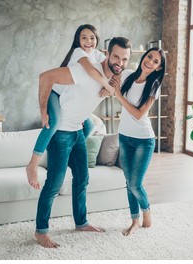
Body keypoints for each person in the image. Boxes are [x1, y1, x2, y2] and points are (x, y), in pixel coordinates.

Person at [34, 37, 132, 248]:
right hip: (60, 133)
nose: (120, 63)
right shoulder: (84, 71)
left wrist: (112, 89)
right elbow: (45, 77)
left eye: (125, 59)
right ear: (107, 54)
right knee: (54, 184)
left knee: (82, 179)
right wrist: (44, 111)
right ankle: (41, 231)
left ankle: (81, 222)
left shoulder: (114, 79)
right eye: (116, 56)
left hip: (77, 131)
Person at [26, 24, 115, 189]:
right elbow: (90, 71)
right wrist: (107, 86)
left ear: (97, 40)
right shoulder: (79, 52)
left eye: (92, 38)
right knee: (54, 121)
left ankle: (70, 151)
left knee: (88, 125)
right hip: (56, 93)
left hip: (70, 99)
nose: (88, 41)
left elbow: (111, 70)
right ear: (78, 40)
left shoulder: (98, 54)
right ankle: (33, 164)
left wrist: (111, 85)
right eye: (84, 38)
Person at [110, 47, 166, 236]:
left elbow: (139, 114)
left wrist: (118, 95)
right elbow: (109, 77)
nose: (150, 61)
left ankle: (147, 210)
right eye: (149, 56)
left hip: (144, 140)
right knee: (128, 182)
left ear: (159, 68)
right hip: (124, 137)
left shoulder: (154, 85)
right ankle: (134, 220)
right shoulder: (127, 75)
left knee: (135, 184)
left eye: (156, 61)